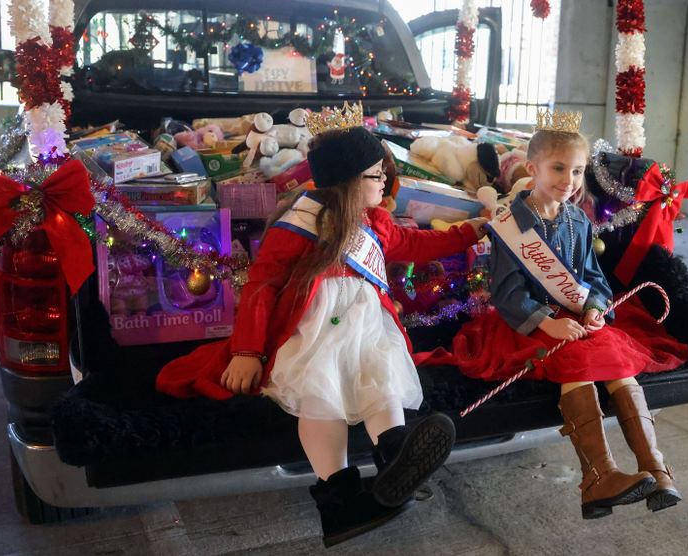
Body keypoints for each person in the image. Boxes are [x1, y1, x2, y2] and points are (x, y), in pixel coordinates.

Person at [156, 108, 487, 547]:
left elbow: (416, 243)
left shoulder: (376, 222)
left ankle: (397, 458)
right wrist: (247, 350)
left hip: (370, 327)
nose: (385, 182)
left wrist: (471, 232)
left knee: (383, 379)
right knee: (322, 394)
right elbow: (261, 286)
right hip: (313, 329)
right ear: (347, 180)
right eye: (375, 174)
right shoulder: (301, 221)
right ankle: (340, 500)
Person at [415, 110, 688, 520]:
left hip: (574, 315)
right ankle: (599, 476)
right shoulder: (511, 224)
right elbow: (505, 292)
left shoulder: (578, 221)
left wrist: (596, 307)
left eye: (578, 171)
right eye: (559, 168)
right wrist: (548, 321)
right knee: (577, 361)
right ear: (532, 168)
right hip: (526, 322)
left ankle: (655, 469)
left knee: (618, 365)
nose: (569, 180)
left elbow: (593, 279)